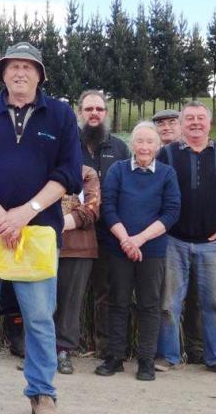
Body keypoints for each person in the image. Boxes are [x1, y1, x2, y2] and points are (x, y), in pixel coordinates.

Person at [0, 42, 82, 414]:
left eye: (27, 66)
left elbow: (68, 174)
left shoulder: (60, 115)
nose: (19, 72)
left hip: (37, 234)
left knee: (39, 319)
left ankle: (42, 392)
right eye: (12, 67)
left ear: (40, 74)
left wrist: (24, 213)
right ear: (2, 74)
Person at [155, 101, 216, 376]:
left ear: (209, 123)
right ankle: (168, 356)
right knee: (168, 305)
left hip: (213, 246)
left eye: (200, 118)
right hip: (173, 241)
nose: (195, 123)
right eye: (190, 118)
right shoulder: (167, 155)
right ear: (182, 124)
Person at [95, 122, 180, 381]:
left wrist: (139, 240)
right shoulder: (118, 171)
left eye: (149, 142)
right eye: (139, 141)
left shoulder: (166, 174)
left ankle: (146, 361)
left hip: (151, 250)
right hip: (119, 248)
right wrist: (126, 240)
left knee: (149, 305)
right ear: (132, 144)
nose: (144, 146)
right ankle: (116, 357)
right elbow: (108, 207)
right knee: (118, 301)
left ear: (157, 146)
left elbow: (171, 211)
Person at [78, 89, 130, 359]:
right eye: (89, 109)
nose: (94, 114)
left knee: (105, 291)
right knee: (69, 290)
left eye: (99, 109)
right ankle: (65, 345)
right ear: (80, 113)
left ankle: (105, 348)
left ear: (106, 113)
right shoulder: (69, 144)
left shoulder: (120, 148)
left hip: (108, 230)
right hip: (73, 230)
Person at [152, 107, 202, 363]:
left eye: (172, 122)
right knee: (168, 298)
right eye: (161, 124)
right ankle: (167, 352)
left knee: (197, 298)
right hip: (165, 238)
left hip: (202, 238)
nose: (167, 128)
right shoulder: (154, 155)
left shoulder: (198, 152)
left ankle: (195, 349)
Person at [52, 164, 99, 375]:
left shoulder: (86, 173)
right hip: (40, 246)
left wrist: (54, 224)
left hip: (77, 249)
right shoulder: (39, 167)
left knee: (70, 303)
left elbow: (92, 208)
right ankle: (39, 351)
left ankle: (63, 350)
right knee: (40, 303)